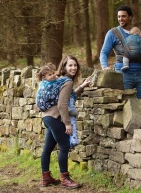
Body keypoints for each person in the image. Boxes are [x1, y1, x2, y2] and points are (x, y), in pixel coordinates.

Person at [38, 55, 90, 189]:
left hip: (47, 117)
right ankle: (65, 179)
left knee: (48, 148)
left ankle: (46, 178)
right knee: (64, 146)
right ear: (64, 67)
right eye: (70, 65)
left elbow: (69, 95)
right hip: (56, 118)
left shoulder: (59, 80)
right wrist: (67, 123)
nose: (73, 68)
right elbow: (62, 104)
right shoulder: (67, 81)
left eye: (75, 65)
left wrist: (82, 86)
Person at [100, 5, 141, 119]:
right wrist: (104, 67)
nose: (121, 19)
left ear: (130, 17)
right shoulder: (113, 33)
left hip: (140, 76)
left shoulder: (136, 33)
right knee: (125, 109)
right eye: (119, 17)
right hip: (123, 75)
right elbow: (104, 52)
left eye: (124, 16)